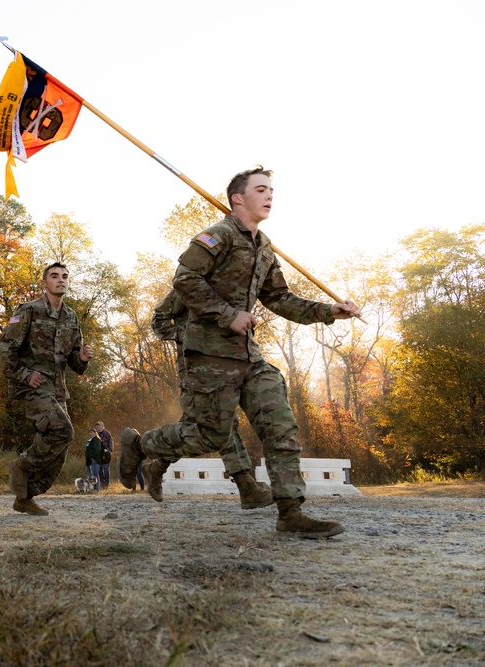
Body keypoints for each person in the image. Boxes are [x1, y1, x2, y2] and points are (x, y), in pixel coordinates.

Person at [131, 167, 361, 538]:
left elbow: (280, 299)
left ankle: (291, 512)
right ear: (238, 198)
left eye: (271, 190)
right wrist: (227, 315)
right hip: (208, 356)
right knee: (209, 435)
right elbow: (184, 279)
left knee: (280, 425)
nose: (269, 196)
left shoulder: (264, 246)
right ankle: (142, 444)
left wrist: (328, 312)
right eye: (260, 190)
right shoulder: (217, 235)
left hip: (248, 356)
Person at [119, 290, 272, 509]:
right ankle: (245, 485)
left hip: (227, 361)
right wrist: (188, 334)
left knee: (197, 423)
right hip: (197, 365)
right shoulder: (192, 284)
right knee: (223, 421)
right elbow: (158, 320)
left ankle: (155, 466)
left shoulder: (231, 285)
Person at [0, 262, 94, 516]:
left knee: (60, 448)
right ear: (44, 283)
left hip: (58, 389)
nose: (60, 280)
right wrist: (25, 375)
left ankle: (25, 497)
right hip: (32, 386)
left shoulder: (71, 317)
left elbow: (73, 359)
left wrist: (82, 358)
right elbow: (5, 348)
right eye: (54, 276)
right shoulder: (28, 311)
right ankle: (21, 465)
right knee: (64, 430)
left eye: (64, 276)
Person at [95, 421, 113, 489]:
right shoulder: (95, 434)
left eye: (99, 426)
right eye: (97, 426)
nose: (98, 427)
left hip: (105, 454)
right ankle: (101, 482)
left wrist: (109, 451)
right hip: (98, 455)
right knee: (99, 469)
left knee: (106, 469)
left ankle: (106, 483)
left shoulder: (107, 433)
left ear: (102, 426)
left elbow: (110, 442)